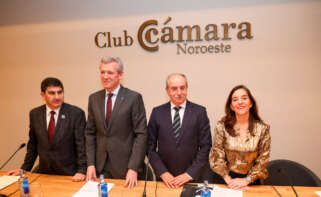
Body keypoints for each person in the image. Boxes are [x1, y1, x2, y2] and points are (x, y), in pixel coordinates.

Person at [6, 77, 87, 182]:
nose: (57, 97)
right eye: (52, 93)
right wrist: (24, 168)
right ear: (43, 95)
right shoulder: (35, 114)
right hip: (44, 173)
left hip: (70, 174)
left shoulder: (76, 113)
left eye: (60, 92)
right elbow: (33, 146)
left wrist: (81, 171)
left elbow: (81, 146)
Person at [85, 57, 147, 189]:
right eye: (102, 72)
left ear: (120, 75)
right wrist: (90, 163)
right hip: (100, 168)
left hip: (126, 169)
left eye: (110, 73)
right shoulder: (94, 99)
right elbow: (90, 133)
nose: (105, 76)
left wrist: (133, 167)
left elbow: (141, 135)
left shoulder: (133, 98)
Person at [148, 73, 212, 188]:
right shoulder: (157, 112)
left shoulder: (200, 112)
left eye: (182, 88)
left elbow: (206, 146)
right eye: (174, 89)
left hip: (193, 178)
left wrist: (189, 174)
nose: (179, 92)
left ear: (186, 88)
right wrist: (163, 172)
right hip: (165, 180)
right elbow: (149, 147)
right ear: (167, 91)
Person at [209, 85, 271, 190]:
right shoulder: (221, 126)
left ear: (251, 103)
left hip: (251, 181)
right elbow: (216, 155)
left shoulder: (262, 129)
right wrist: (229, 180)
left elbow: (263, 160)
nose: (240, 102)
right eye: (235, 100)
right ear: (231, 106)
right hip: (225, 180)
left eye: (244, 98)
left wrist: (246, 180)